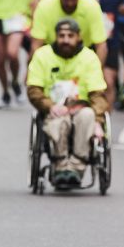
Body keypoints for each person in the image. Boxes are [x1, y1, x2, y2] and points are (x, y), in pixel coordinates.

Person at [27, 19, 108, 187]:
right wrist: (49, 106)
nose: (65, 40)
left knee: (87, 115)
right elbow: (34, 89)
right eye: (61, 36)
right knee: (59, 120)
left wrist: (98, 122)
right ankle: (61, 165)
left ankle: (76, 168)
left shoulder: (89, 57)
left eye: (70, 36)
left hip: (81, 108)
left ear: (78, 37)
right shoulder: (42, 56)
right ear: (55, 37)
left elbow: (98, 94)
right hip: (54, 109)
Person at [81, 0, 124, 110]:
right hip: (88, 42)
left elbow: (123, 5)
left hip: (110, 41)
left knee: (109, 82)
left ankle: (105, 120)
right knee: (89, 83)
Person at [30, 0, 108, 64]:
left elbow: (101, 45)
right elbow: (36, 45)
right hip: (51, 55)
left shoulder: (92, 7)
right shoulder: (44, 6)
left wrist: (96, 71)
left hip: (83, 55)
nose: (70, 3)